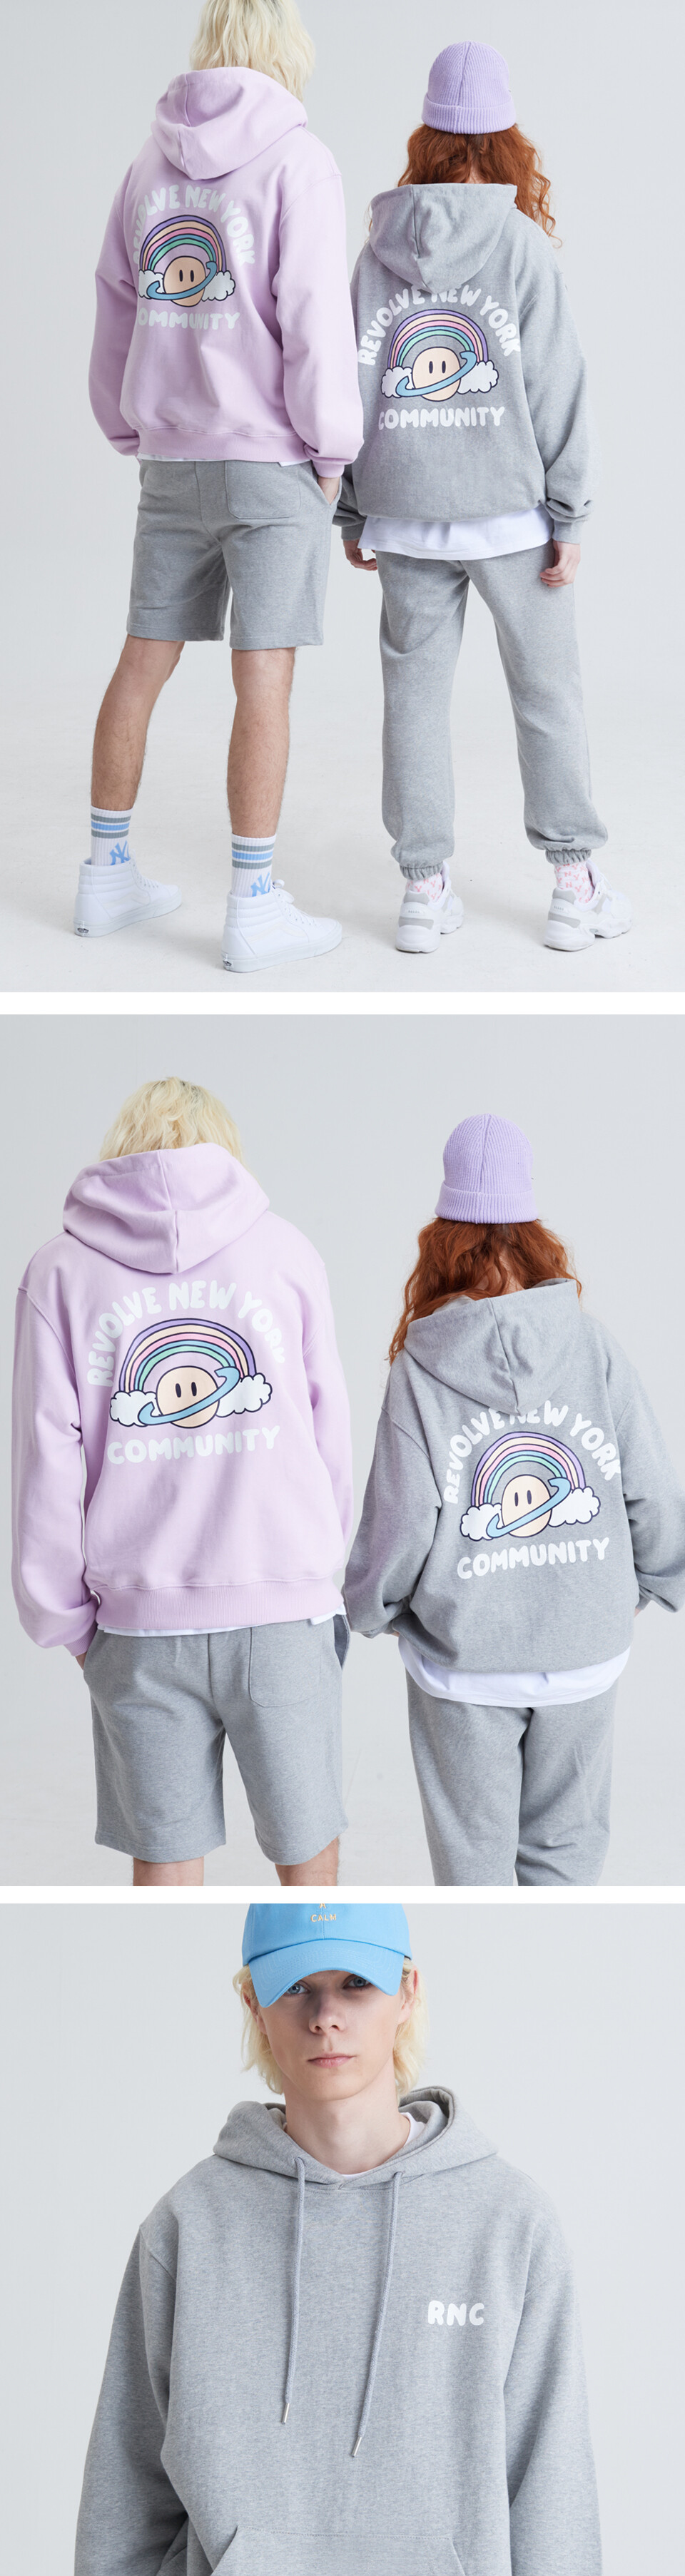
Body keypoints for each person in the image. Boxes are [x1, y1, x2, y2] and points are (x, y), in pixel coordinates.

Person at [73, 1893, 607, 2576]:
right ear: (255, 2006)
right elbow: (124, 2488)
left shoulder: (507, 2224)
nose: (326, 2016)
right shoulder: (188, 2226)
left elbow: (552, 2490)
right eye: (297, 1990)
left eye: (355, 1986)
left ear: (406, 1993)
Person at [11, 1073, 352, 1890]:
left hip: (138, 1627)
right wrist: (316, 1569)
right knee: (310, 1858)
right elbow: (330, 1433)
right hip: (282, 1611)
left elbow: (45, 1459)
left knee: (164, 1873)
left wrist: (67, 1622)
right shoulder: (286, 1253)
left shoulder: (59, 1273)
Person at [76, 0, 362, 969]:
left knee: (142, 658)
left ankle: (106, 873)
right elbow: (313, 313)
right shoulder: (299, 160)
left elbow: (118, 297)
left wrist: (125, 420)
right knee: (264, 674)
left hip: (171, 457)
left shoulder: (148, 166)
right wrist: (332, 450)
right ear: (288, 49)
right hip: (271, 460)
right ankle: (253, 903)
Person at [340, 36, 630, 957]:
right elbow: (558, 384)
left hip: (404, 512)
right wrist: (570, 513)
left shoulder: (377, 249)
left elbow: (350, 382)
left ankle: (423, 893)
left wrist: (352, 504)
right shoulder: (520, 245)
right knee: (548, 695)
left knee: (413, 701)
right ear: (507, 138)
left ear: (427, 136)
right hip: (512, 516)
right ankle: (574, 887)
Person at [345, 1111, 685, 1888]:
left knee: (473, 1870)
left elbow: (402, 1518)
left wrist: (373, 1606)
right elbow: (650, 1485)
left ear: (443, 1235)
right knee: (566, 1857)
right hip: (583, 1652)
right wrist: (654, 1579)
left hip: (465, 1664)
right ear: (534, 1230)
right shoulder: (590, 1344)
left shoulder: (422, 1367)